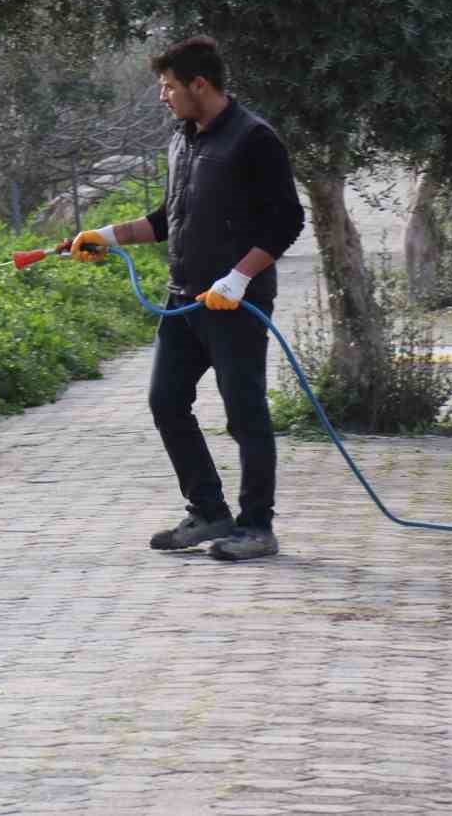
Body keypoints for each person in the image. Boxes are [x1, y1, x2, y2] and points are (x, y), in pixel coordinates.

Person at [70, 36, 305, 561]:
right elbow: (164, 219)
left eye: (169, 86)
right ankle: (208, 512)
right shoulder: (184, 139)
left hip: (234, 305)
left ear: (200, 84)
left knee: (245, 415)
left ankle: (256, 527)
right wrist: (103, 236)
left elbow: (288, 221)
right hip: (184, 304)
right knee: (166, 402)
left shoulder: (254, 139)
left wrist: (239, 279)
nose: (163, 97)